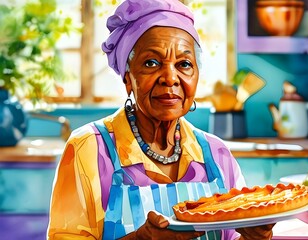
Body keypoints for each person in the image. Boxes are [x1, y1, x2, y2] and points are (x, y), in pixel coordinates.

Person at [47, 0, 274, 239]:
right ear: (127, 77)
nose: (170, 78)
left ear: (196, 76)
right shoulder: (89, 149)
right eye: (151, 63)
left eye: (184, 64)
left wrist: (253, 237)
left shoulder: (217, 155)